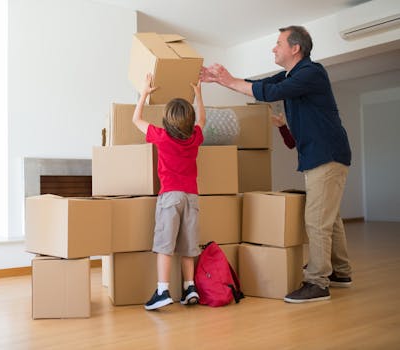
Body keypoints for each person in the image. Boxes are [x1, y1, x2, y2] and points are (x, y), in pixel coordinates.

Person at [200, 25, 352, 303]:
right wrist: (223, 80)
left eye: (278, 43)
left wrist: (229, 80)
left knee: (316, 221)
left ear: (296, 48)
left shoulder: (311, 72)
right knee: (329, 217)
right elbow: (267, 86)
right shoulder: (291, 75)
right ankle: (340, 272)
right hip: (321, 155)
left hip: (326, 155)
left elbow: (269, 93)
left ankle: (318, 282)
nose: (274, 48)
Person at [133, 73, 206, 310]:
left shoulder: (162, 137)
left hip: (170, 197)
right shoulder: (195, 137)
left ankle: (163, 291)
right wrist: (198, 95)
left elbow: (136, 119)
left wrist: (144, 92)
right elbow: (203, 120)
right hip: (191, 197)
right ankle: (189, 287)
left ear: (167, 121)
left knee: (165, 245)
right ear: (190, 121)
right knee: (188, 246)